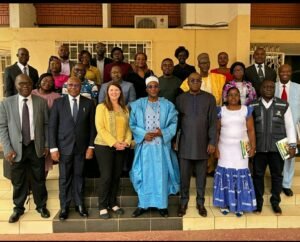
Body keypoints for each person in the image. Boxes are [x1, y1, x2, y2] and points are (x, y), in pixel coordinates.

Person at [0, 74, 50, 223]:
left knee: (39, 178)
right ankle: (18, 208)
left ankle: (41, 206)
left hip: (36, 146)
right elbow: (2, 127)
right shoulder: (6, 103)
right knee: (18, 180)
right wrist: (7, 149)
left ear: (32, 84)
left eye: (28, 83)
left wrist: (46, 144)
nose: (25, 86)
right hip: (16, 148)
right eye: (21, 84)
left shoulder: (41, 102)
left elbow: (47, 125)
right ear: (16, 86)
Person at [129, 76, 180, 218]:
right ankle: (143, 204)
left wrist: (162, 132)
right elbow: (132, 124)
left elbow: (174, 122)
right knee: (144, 175)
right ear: (146, 89)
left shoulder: (167, 105)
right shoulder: (138, 104)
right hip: (144, 146)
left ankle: (162, 205)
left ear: (159, 88)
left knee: (161, 175)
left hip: (161, 148)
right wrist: (143, 134)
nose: (153, 89)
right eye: (150, 86)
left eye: (155, 86)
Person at [49, 77, 96, 220]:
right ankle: (64, 206)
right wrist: (53, 148)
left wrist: (91, 146)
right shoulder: (58, 103)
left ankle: (79, 204)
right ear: (66, 87)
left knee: (79, 177)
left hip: (82, 148)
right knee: (64, 178)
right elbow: (52, 127)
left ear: (81, 87)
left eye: (76, 85)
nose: (74, 87)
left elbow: (92, 127)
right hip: (63, 148)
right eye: (71, 85)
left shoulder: (89, 103)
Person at [250, 79, 297, 215]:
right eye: (266, 86)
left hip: (278, 148)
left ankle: (275, 202)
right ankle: (258, 203)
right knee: (257, 175)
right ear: (261, 89)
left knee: (277, 176)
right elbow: (248, 128)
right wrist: (246, 148)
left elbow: (289, 126)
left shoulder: (283, 105)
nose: (269, 88)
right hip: (258, 148)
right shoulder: (253, 105)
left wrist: (292, 145)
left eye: (271, 86)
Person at [176, 72, 217, 218]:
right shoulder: (181, 99)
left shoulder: (209, 99)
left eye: (197, 80)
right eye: (192, 80)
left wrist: (212, 142)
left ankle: (201, 203)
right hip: (185, 144)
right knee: (184, 176)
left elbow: (213, 123)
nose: (195, 82)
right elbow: (177, 123)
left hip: (203, 144)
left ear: (201, 82)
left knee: (201, 177)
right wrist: (176, 142)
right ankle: (183, 202)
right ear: (187, 82)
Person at [213, 87, 257, 217]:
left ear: (240, 97)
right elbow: (216, 131)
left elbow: (251, 130)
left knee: (241, 174)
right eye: (230, 95)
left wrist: (253, 147)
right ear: (226, 97)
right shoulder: (221, 111)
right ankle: (225, 204)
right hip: (225, 148)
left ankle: (240, 205)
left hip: (242, 148)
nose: (233, 97)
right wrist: (215, 147)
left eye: (236, 95)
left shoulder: (246, 110)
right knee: (225, 174)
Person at [94, 82, 132, 219]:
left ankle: (112, 203)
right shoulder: (101, 107)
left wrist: (126, 142)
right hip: (104, 146)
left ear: (120, 92)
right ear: (107, 92)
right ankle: (103, 206)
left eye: (117, 90)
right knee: (106, 176)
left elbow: (128, 128)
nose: (114, 92)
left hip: (121, 146)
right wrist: (114, 143)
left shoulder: (125, 109)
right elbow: (100, 128)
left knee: (116, 176)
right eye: (111, 90)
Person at [275, 64, 300, 197]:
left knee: (289, 157)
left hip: (292, 128)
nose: (285, 73)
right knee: (277, 157)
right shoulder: (272, 87)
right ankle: (277, 183)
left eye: (288, 71)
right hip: (276, 128)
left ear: (291, 73)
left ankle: (286, 184)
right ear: (278, 73)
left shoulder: (298, 88)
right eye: (282, 71)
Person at [32, 73, 61, 177]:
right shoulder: (31, 94)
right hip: (32, 131)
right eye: (45, 80)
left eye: (50, 81)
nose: (47, 83)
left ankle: (42, 182)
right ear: (40, 81)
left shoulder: (56, 97)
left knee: (45, 161)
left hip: (48, 132)